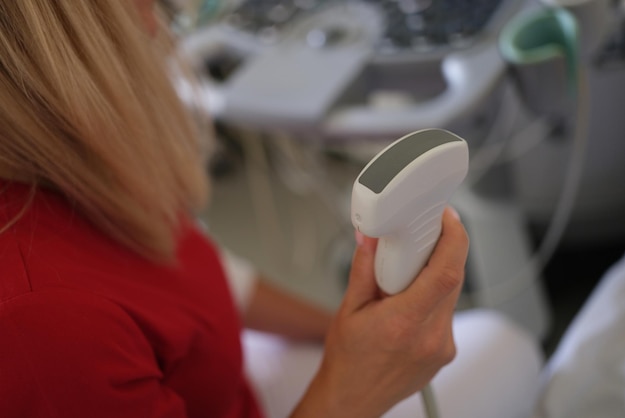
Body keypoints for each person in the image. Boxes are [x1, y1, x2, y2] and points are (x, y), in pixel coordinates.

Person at [0, 1, 469, 417]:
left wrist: (347, 336)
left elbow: (198, 273)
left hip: (231, 383)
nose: (156, 21)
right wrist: (350, 392)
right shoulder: (38, 332)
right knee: (504, 343)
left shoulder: (77, 163)